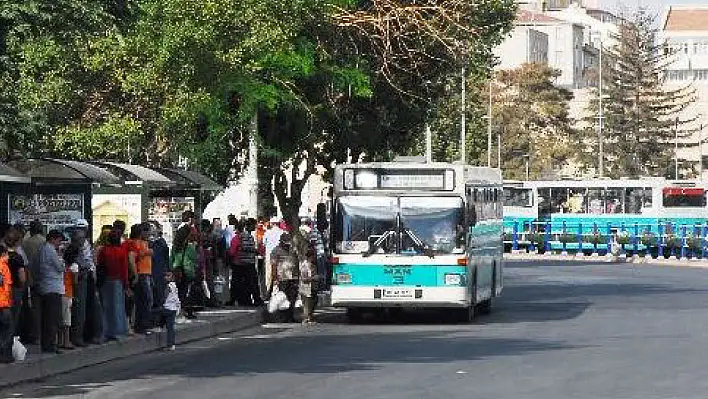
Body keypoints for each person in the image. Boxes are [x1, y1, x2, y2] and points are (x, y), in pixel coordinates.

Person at [97, 230, 129, 341]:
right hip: (117, 280)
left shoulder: (104, 251)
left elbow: (99, 265)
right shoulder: (121, 251)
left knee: (105, 306)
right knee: (118, 305)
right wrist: (126, 284)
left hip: (106, 280)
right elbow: (124, 269)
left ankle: (105, 330)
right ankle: (117, 330)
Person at [38, 230, 66, 354]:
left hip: (47, 286)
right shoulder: (50, 250)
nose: (59, 244)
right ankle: (50, 344)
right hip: (53, 287)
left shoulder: (43, 249)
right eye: (59, 241)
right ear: (53, 239)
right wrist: (61, 256)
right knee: (52, 318)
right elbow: (60, 267)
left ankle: (47, 343)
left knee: (48, 317)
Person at [20, 220, 45, 345]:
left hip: (28, 277)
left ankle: (35, 334)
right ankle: (43, 335)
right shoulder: (44, 242)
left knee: (33, 308)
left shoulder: (25, 243)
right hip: (43, 278)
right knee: (45, 308)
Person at [129, 224, 154, 334]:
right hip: (141, 273)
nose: (149, 234)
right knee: (146, 299)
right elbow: (134, 256)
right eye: (147, 231)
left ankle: (143, 324)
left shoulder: (145, 243)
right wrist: (146, 253)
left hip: (147, 273)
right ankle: (142, 325)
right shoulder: (135, 243)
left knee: (145, 300)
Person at [270, 233, 299, 322]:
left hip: (293, 277)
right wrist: (275, 277)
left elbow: (297, 261)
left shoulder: (293, 250)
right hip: (282, 277)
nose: (287, 246)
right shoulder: (276, 251)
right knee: (283, 297)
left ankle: (290, 316)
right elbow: (274, 265)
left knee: (292, 297)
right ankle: (283, 316)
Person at [5, 227, 26, 337]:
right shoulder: (17, 258)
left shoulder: (2, 255)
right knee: (12, 320)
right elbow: (22, 278)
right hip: (14, 290)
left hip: (3, 289)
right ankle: (8, 347)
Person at [61, 244, 79, 350]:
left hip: (60, 292)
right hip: (68, 294)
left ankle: (59, 340)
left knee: (60, 318)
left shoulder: (62, 264)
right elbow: (75, 282)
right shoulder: (74, 266)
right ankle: (66, 341)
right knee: (67, 321)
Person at [149, 222, 170, 308]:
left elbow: (166, 258)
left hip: (159, 271)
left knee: (159, 294)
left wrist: (168, 270)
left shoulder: (161, 242)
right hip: (151, 270)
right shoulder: (147, 243)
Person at [0, 245, 14, 363]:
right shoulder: (3, 267)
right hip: (3, 304)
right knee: (7, 330)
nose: (8, 256)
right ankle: (4, 355)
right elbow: (5, 286)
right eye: (6, 254)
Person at [262, 217, 283, 293]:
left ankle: (268, 291)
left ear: (271, 224)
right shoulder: (282, 232)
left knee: (269, 274)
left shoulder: (267, 232)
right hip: (280, 256)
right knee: (278, 273)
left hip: (269, 255)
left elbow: (263, 243)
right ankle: (276, 291)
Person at [299, 247, 318, 324]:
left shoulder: (313, 265)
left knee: (313, 302)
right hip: (306, 288)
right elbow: (304, 279)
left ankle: (310, 317)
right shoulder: (305, 266)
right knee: (307, 304)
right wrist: (313, 278)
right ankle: (306, 319)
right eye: (314, 256)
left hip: (313, 287)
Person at [161, 271, 180, 351]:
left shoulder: (168, 286)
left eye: (168, 276)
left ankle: (170, 345)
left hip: (168, 308)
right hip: (174, 308)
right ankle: (172, 344)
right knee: (170, 327)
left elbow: (164, 297)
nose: (166, 277)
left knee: (169, 327)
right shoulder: (175, 286)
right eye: (165, 275)